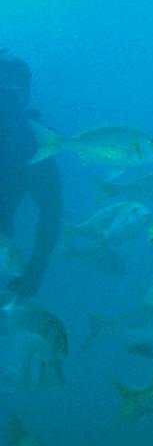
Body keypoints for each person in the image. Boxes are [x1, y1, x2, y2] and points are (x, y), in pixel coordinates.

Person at [0, 51, 63, 302]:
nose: (3, 103)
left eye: (11, 95)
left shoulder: (33, 144)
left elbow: (51, 210)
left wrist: (36, 270)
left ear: (24, 98)